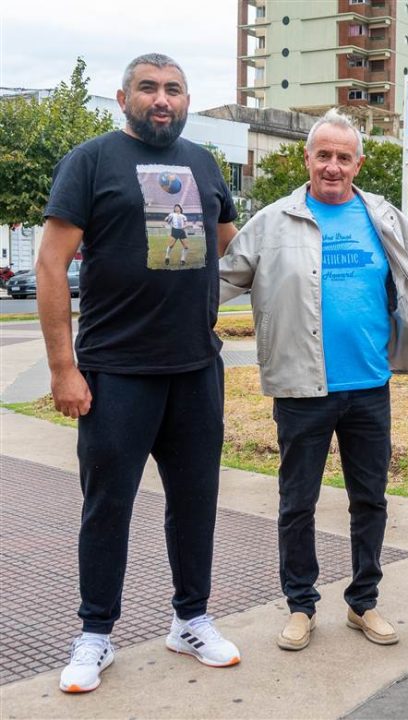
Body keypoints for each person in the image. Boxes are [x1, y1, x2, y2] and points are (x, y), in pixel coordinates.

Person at [219, 109, 408, 652]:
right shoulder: (273, 222)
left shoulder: (384, 218)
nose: (332, 166)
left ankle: (363, 602)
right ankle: (301, 605)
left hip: (370, 386)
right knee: (297, 501)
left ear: (358, 162)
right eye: (322, 155)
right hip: (301, 389)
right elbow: (220, 282)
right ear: (307, 158)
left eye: (342, 157)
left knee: (369, 500)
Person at [37, 53, 241, 694]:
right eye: (148, 88)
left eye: (173, 89)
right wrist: (63, 368)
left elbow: (233, 246)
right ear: (123, 96)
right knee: (108, 508)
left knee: (196, 505)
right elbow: (49, 265)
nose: (162, 99)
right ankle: (95, 634)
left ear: (187, 99)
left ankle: (190, 620)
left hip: (194, 370)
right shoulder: (92, 160)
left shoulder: (205, 164)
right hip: (115, 372)